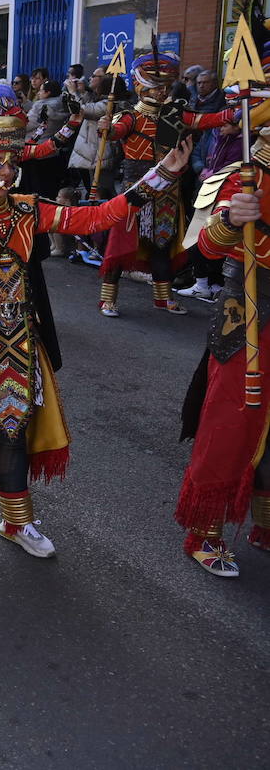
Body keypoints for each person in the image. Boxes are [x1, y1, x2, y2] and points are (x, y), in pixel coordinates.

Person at [0, 86, 195, 577]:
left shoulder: (28, 209)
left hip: (16, 341)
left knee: (13, 431)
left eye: (9, 163)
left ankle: (16, 522)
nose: (4, 172)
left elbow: (96, 215)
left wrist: (162, 174)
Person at [174, 126, 270, 576]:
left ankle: (264, 524)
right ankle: (205, 530)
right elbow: (204, 247)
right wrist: (232, 220)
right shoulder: (244, 175)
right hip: (252, 309)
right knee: (232, 419)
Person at [95, 51, 237, 317]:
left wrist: (236, 112)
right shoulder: (129, 116)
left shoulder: (174, 114)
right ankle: (107, 298)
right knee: (121, 242)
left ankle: (163, 297)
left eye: (166, 87)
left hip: (168, 188)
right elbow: (115, 133)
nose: (162, 92)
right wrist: (106, 128)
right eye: (157, 87)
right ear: (141, 86)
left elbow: (204, 120)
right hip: (136, 186)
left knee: (163, 243)